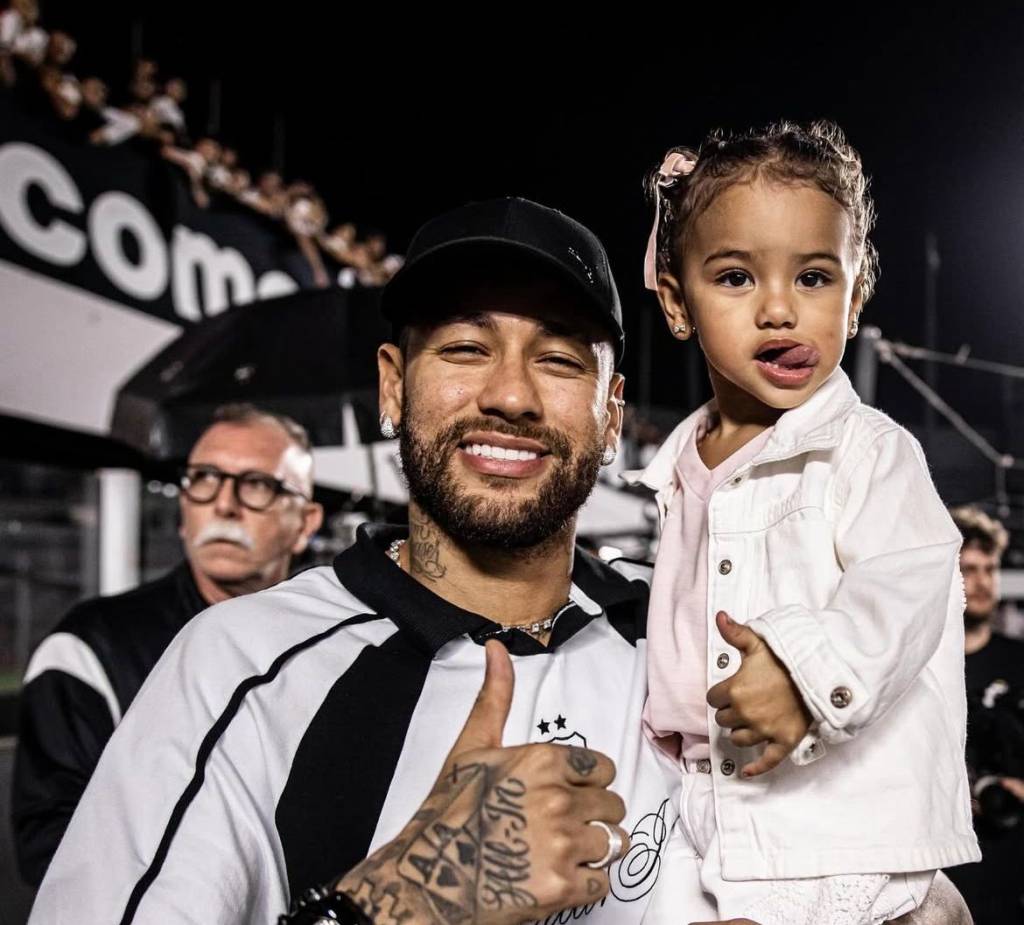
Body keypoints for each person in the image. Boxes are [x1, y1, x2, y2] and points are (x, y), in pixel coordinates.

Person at [28, 197, 690, 925]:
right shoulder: (236, 665)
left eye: (560, 358)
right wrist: (399, 904)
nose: (510, 394)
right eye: (465, 348)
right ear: (392, 387)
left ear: (611, 416)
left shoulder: (684, 634)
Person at [631, 121, 978, 924]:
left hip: (842, 837)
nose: (781, 309)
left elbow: (912, 579)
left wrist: (803, 674)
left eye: (815, 277)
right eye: (735, 277)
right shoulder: (679, 469)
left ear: (855, 297)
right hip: (708, 832)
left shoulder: (869, 451)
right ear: (678, 303)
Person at [12, 403, 323, 887]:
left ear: (306, 523)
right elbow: (56, 852)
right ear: (182, 511)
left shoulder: (345, 647)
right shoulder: (89, 648)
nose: (224, 504)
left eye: (258, 484)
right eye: (203, 478)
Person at [943, 505, 1024, 924]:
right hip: (946, 866)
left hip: (1012, 864)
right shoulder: (926, 667)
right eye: (968, 569)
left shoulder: (1018, 661)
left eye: (989, 569)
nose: (982, 583)